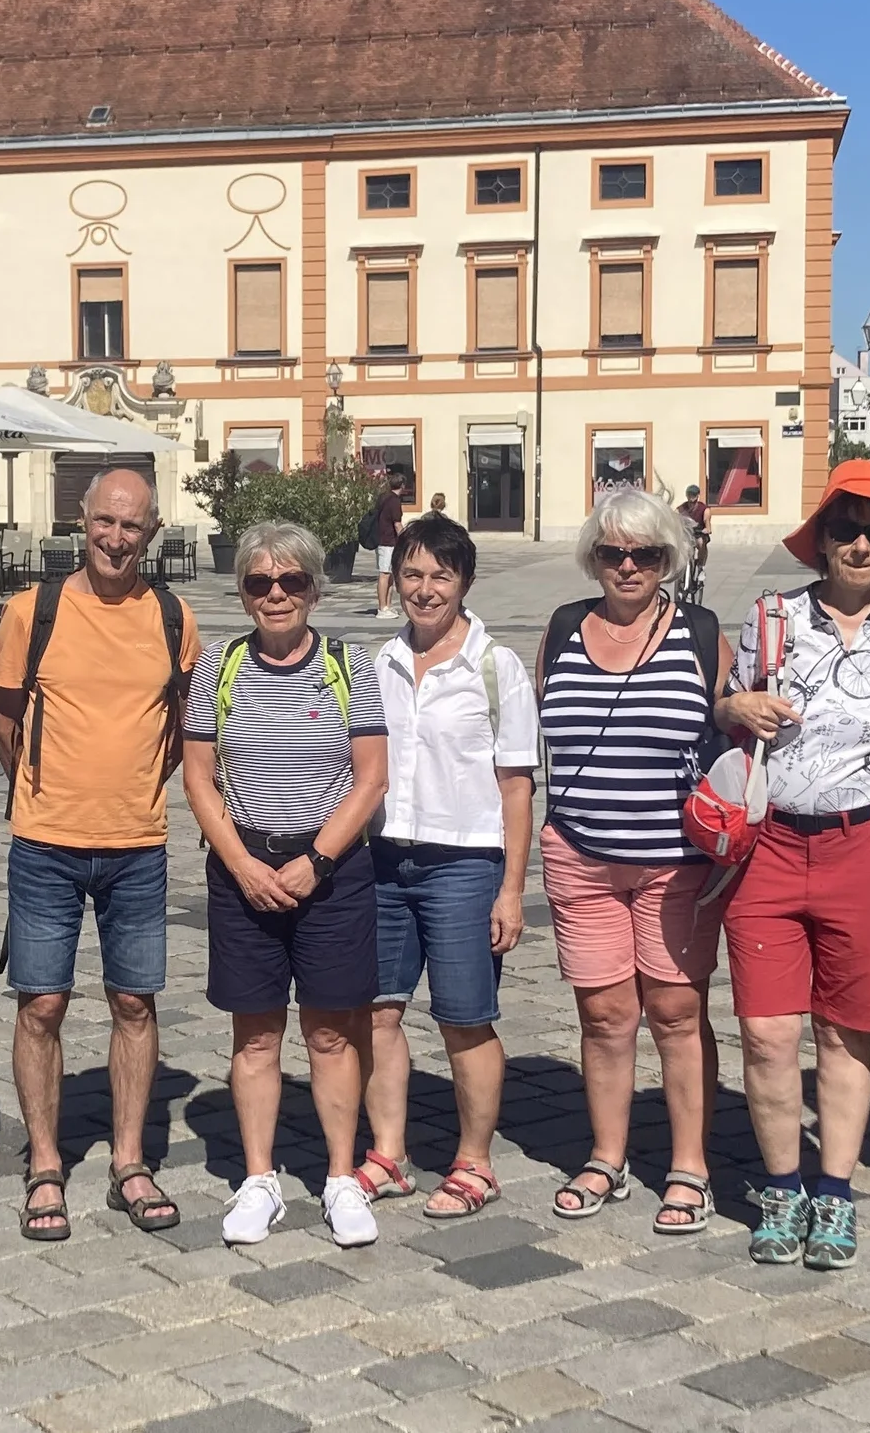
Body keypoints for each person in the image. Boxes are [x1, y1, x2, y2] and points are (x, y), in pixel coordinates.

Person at [715, 460, 870, 1269]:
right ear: (822, 540)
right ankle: (783, 1188)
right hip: (771, 846)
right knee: (767, 1034)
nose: (860, 543)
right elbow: (728, 705)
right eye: (845, 527)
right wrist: (734, 705)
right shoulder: (773, 616)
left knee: (847, 1036)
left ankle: (836, 1194)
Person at [0, 470, 200, 1242]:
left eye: (133, 527)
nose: (116, 539)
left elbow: (181, 730)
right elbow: (4, 719)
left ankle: (129, 1160)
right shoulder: (31, 611)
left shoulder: (174, 616)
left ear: (153, 533)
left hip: (138, 845)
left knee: (134, 1003)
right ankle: (45, 1163)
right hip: (44, 842)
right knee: (41, 1002)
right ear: (82, 524)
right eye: (105, 524)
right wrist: (47, 791)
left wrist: (132, 785)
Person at [180, 520, 388, 1248]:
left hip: (330, 871)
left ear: (314, 588)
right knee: (256, 1033)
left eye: (291, 581)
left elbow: (370, 779)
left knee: (331, 1032)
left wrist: (318, 860)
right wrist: (240, 862)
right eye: (260, 583)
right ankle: (260, 1178)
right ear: (242, 592)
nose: (276, 595)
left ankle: (339, 1177)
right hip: (245, 866)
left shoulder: (349, 665)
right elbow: (198, 778)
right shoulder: (217, 667)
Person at [537, 486, 731, 1235]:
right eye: (613, 552)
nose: (627, 566)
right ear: (594, 556)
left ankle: (690, 1167)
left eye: (645, 553)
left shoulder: (700, 631)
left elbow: (722, 725)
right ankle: (608, 1155)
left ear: (668, 560)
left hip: (673, 860)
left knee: (677, 1013)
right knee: (605, 1013)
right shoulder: (560, 628)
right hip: (581, 856)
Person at [355, 514, 537, 1217]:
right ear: (395, 578)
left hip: (464, 864)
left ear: (463, 582)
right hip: (385, 859)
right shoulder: (382, 663)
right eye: (413, 574)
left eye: (440, 576)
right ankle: (390, 1153)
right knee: (377, 1014)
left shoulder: (495, 667)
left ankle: (474, 1162)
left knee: (464, 1018)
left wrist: (513, 890)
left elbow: (517, 787)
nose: (425, 589)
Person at [373, 478, 406, 619]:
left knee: (390, 573)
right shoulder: (394, 501)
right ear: (402, 485)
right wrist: (406, 538)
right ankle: (382, 608)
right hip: (387, 541)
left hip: (383, 540)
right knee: (384, 574)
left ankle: (388, 605)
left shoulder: (383, 498)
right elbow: (397, 524)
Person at [678, 486, 711, 596]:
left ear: (698, 495)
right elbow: (674, 515)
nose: (691, 497)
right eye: (689, 494)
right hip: (687, 535)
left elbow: (708, 525)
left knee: (701, 543)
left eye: (694, 494)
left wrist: (706, 530)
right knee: (682, 547)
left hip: (699, 534)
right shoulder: (682, 508)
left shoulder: (704, 509)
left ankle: (701, 567)